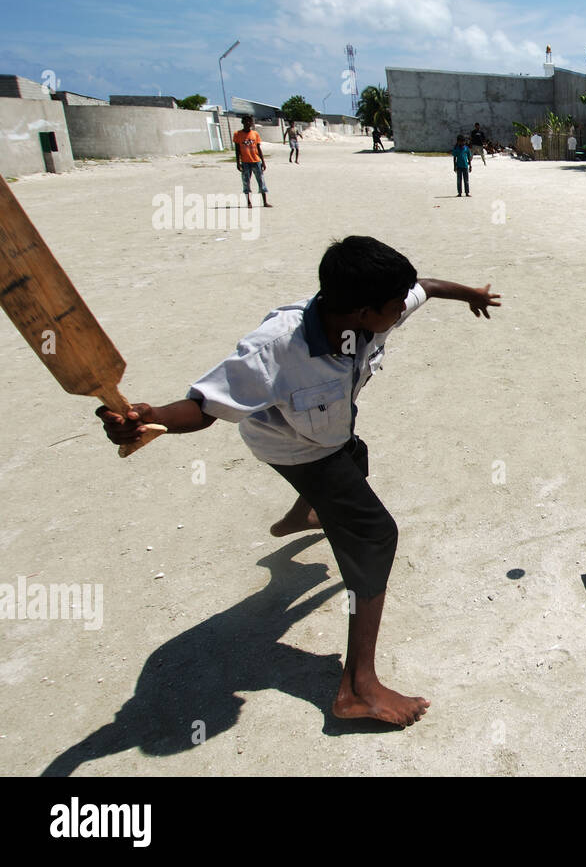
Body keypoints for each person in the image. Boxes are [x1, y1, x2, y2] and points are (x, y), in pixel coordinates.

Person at [95, 236, 501, 726]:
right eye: (394, 306)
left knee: (355, 457)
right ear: (364, 310)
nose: (401, 311)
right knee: (375, 534)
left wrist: (472, 295)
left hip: (329, 435)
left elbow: (427, 287)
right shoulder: (275, 349)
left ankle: (309, 511)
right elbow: (204, 407)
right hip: (294, 448)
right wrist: (151, 416)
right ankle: (357, 689)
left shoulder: (364, 310)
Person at [232, 115, 271, 208]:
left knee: (261, 181)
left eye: (250, 122)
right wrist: (238, 162)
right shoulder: (237, 134)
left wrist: (263, 161)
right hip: (245, 162)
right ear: (242, 122)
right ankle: (248, 202)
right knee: (246, 182)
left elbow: (258, 148)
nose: (248, 123)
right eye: (246, 121)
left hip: (256, 161)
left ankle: (265, 202)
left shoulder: (255, 134)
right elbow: (237, 150)